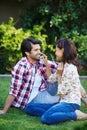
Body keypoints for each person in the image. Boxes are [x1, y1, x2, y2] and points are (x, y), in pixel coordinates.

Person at [0, 37, 59, 115]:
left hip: (44, 90)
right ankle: (70, 106)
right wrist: (4, 110)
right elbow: (14, 91)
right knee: (62, 102)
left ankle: (77, 96)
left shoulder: (41, 60)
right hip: (33, 98)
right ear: (27, 53)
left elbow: (59, 66)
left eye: (39, 49)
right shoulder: (21, 67)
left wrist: (48, 64)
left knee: (66, 72)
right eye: (36, 50)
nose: (39, 52)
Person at [40, 38, 87, 124]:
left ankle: (76, 115)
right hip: (63, 102)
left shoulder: (70, 69)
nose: (55, 53)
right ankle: (58, 114)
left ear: (64, 51)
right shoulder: (61, 65)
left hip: (71, 104)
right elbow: (50, 79)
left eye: (57, 50)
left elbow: (61, 93)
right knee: (30, 107)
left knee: (45, 118)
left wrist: (59, 75)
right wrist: (46, 63)